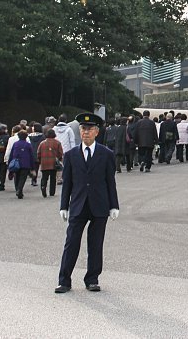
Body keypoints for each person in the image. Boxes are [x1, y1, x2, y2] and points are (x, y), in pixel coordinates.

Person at [55, 112, 119, 294]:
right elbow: (67, 182)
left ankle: (92, 279)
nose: (85, 132)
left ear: (97, 132)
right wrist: (63, 206)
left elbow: (110, 181)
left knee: (96, 244)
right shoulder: (71, 155)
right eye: (83, 128)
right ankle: (64, 280)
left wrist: (114, 205)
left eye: (90, 129)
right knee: (71, 243)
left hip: (99, 204)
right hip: (78, 204)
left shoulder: (106, 154)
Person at [37, 129, 63, 198]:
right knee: (53, 178)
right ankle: (52, 192)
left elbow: (38, 153)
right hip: (53, 163)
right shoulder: (57, 143)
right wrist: (59, 159)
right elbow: (60, 153)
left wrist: (40, 160)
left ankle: (43, 187)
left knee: (44, 177)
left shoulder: (42, 143)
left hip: (44, 163)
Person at [10, 131, 34, 199]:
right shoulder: (28, 145)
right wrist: (32, 167)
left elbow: (11, 154)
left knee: (17, 177)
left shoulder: (15, 144)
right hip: (26, 163)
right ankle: (19, 190)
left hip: (16, 163)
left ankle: (17, 189)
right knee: (23, 178)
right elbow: (31, 156)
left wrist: (9, 163)